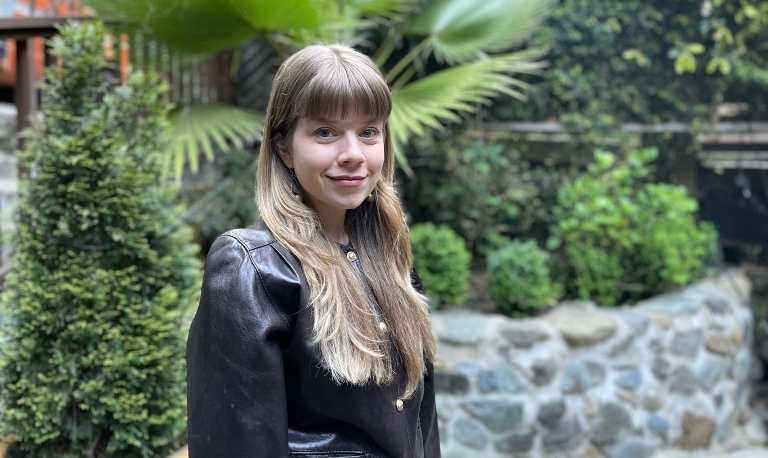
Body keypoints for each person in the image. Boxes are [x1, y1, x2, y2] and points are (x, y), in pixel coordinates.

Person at [186, 43, 441, 458]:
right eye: (325, 132)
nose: (353, 155)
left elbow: (422, 427)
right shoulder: (251, 269)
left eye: (368, 132)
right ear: (283, 146)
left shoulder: (391, 259)